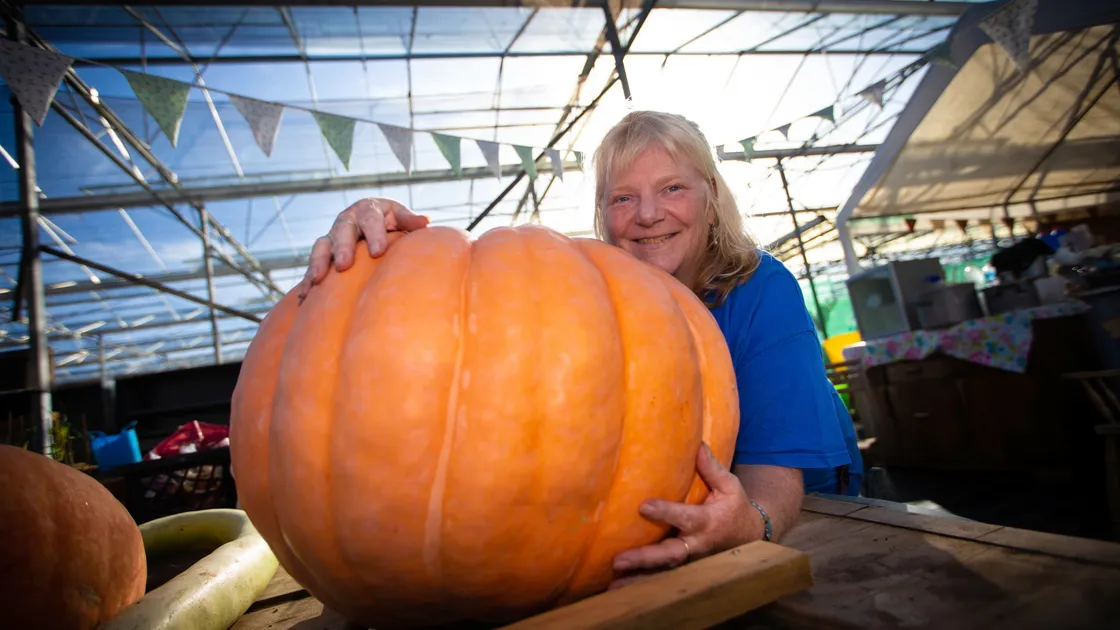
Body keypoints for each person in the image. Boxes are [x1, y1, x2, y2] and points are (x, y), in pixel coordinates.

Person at [294, 110, 863, 589]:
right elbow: (474, 286)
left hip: (810, 518)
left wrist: (753, 524)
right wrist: (391, 245)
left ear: (710, 199)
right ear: (604, 217)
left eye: (672, 188)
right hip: (681, 530)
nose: (646, 214)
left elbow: (777, 484)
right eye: (623, 197)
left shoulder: (761, 289)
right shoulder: (601, 295)